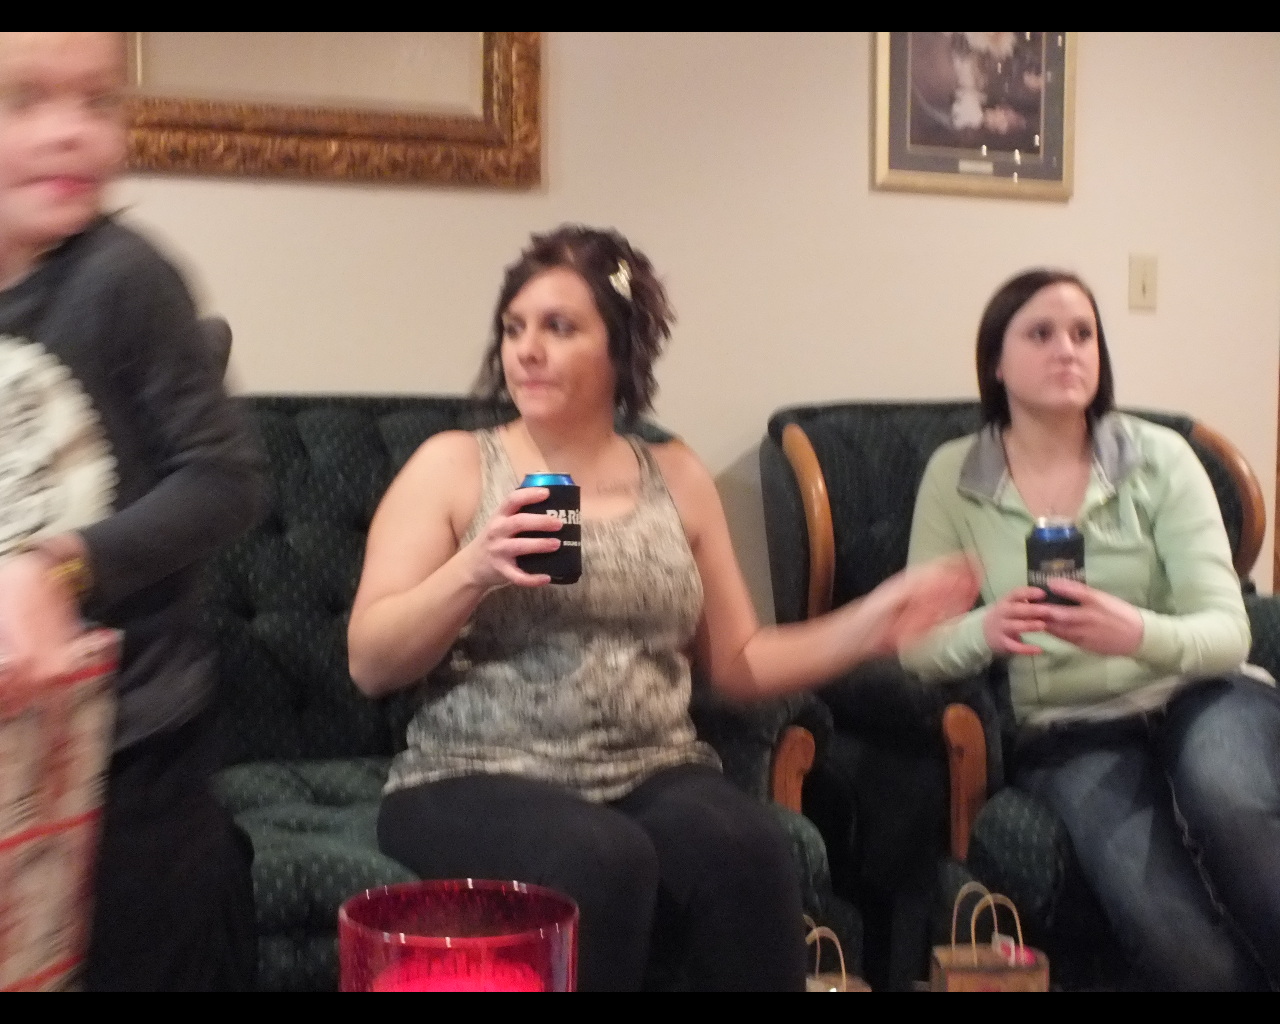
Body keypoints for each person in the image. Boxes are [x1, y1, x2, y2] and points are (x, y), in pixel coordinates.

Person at [347, 224, 979, 992]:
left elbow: (739, 662)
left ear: (621, 348)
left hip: (651, 767)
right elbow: (371, 662)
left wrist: (874, 619)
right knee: (602, 859)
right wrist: (473, 570)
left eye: (559, 328)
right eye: (514, 329)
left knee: (751, 851)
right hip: (470, 773)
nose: (527, 351)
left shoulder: (675, 474)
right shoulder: (452, 466)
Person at [900, 268, 1280, 990]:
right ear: (995, 361)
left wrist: (1135, 632)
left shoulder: (1160, 458)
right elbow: (916, 646)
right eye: (1041, 334)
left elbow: (1229, 632)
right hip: (1072, 729)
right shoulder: (955, 476)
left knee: (1229, 802)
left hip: (1201, 692)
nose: (1068, 350)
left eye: (1083, 334)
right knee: (1181, 944)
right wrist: (987, 628)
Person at [0, 33, 264, 989]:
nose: (69, 132)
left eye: (97, 100)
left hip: (134, 758)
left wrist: (56, 566)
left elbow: (226, 478)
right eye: (24, 100)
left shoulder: (126, 277)